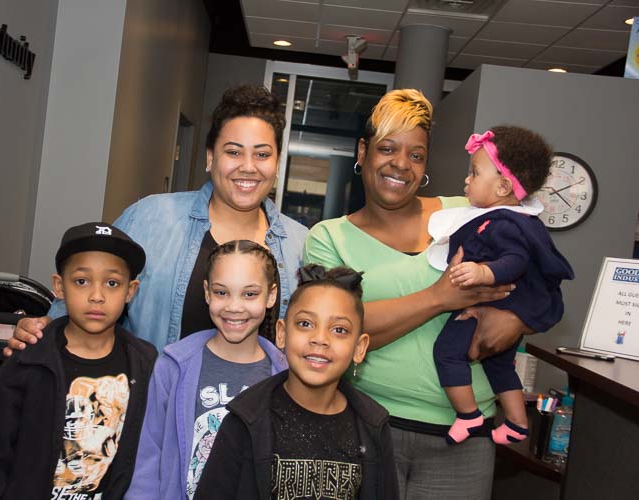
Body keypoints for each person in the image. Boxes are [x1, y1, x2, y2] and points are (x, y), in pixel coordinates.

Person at [303, 89, 536, 499]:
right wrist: (439, 298)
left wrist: (515, 318)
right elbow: (336, 331)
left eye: (416, 155)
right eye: (387, 148)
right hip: (364, 428)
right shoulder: (329, 237)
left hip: (464, 439)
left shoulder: (469, 211)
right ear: (363, 151)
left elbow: (534, 275)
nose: (401, 165)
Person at [7, 84, 308, 354]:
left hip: (257, 413)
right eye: (233, 151)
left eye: (262, 154)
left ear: (277, 163)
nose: (248, 166)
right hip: (153, 407)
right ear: (210, 157)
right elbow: (85, 297)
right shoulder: (150, 219)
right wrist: (42, 332)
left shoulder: (299, 245)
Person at [0, 222, 157, 499]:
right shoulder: (30, 358)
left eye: (112, 283)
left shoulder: (145, 364)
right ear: (59, 286)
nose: (97, 296)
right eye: (81, 281)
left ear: (131, 291)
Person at [195, 265, 399, 500]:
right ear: (281, 333)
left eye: (339, 329)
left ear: (360, 348)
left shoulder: (372, 426)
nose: (320, 339)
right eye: (305, 324)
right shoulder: (245, 420)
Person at [426, 126, 574, 445]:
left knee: (447, 352)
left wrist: (482, 273)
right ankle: (518, 424)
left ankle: (468, 415)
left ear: (504, 185)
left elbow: (515, 261)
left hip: (490, 307)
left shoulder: (505, 223)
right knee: (500, 365)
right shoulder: (504, 218)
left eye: (474, 173)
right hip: (503, 308)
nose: (467, 180)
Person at [125, 240, 288, 500]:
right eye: (222, 292)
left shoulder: (284, 375)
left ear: (271, 295)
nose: (234, 307)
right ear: (207, 292)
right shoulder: (172, 366)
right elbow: (148, 454)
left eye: (249, 294)